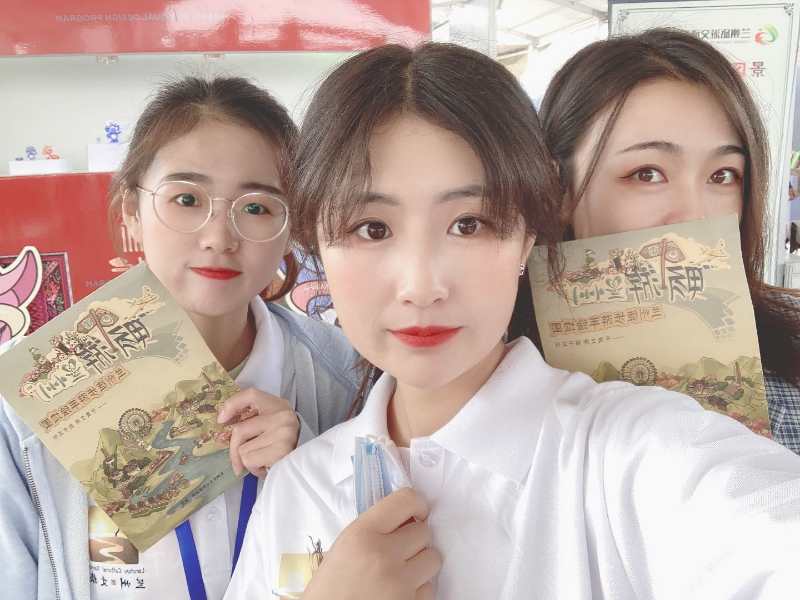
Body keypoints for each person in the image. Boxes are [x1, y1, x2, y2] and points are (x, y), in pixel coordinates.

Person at [226, 43, 800, 600]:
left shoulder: (631, 449)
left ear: (528, 234)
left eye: (469, 224)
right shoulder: (299, 486)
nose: (421, 286)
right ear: (316, 244)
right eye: (371, 229)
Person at [0, 76, 362, 600]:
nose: (219, 237)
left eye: (257, 207)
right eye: (187, 199)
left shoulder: (347, 379)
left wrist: (310, 466)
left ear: (291, 227)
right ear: (132, 211)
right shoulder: (31, 401)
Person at [539, 27, 800, 453]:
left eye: (722, 175)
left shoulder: (791, 350)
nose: (694, 215)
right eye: (647, 173)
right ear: (558, 191)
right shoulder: (487, 370)